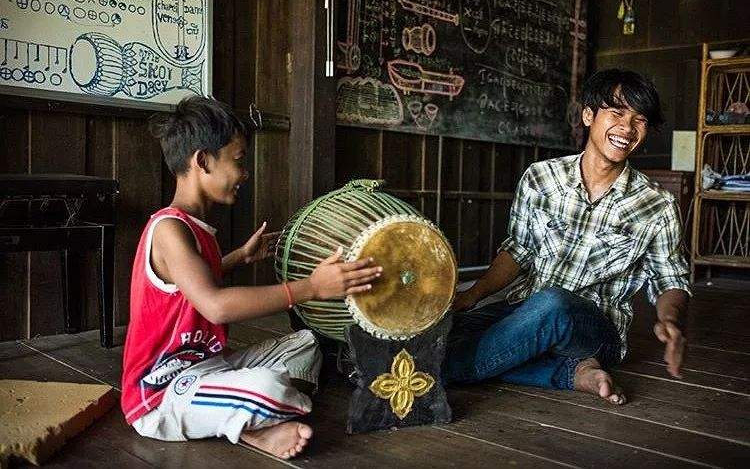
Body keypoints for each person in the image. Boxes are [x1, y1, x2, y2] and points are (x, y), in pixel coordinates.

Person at [120, 96, 382, 459]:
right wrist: (311, 287)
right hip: (162, 391)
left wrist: (240, 257)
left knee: (306, 343)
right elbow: (214, 306)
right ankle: (253, 425)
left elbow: (189, 285)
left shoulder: (196, 229)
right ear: (202, 161)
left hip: (206, 366)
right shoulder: (168, 229)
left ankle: (246, 415)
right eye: (238, 161)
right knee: (268, 386)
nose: (244, 174)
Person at [444, 69, 691, 405]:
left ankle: (437, 371)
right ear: (589, 115)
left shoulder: (657, 205)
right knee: (444, 332)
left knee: (553, 303)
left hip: (595, 329)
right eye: (616, 113)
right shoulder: (541, 178)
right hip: (524, 310)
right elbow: (519, 250)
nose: (627, 128)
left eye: (639, 119)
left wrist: (669, 320)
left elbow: (669, 279)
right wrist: (472, 295)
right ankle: (571, 374)